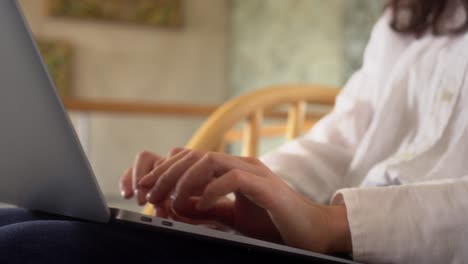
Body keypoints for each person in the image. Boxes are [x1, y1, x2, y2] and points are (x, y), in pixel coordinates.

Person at [1, 0, 468, 263]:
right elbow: (346, 135)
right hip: (334, 248)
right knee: (15, 225)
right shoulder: (408, 18)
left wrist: (333, 225)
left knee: (33, 247)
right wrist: (243, 194)